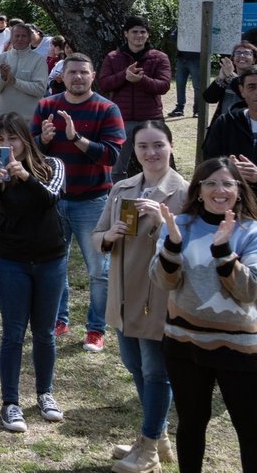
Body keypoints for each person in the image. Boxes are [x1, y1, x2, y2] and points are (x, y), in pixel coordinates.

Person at [151, 157, 257, 473]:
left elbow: (250, 290)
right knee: (192, 423)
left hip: (239, 349)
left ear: (239, 189)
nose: (219, 190)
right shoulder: (178, 225)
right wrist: (171, 244)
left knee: (250, 430)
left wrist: (223, 251)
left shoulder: (251, 231)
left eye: (227, 183)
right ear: (198, 191)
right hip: (184, 343)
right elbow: (162, 281)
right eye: (211, 183)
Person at [92, 121, 187, 472]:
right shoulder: (122, 189)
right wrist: (109, 235)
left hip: (158, 296)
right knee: (134, 366)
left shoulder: (186, 192)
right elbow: (96, 234)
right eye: (143, 146)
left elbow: (192, 246)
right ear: (134, 150)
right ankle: (157, 437)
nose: (151, 152)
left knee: (155, 372)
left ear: (171, 146)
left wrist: (165, 223)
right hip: (122, 294)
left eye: (158, 145)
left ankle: (148, 450)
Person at [0, 112, 67, 434]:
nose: (7, 146)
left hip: (50, 260)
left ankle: (45, 394)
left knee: (45, 332)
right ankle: (10, 403)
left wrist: (25, 176)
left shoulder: (52, 166)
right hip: (10, 261)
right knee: (13, 333)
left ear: (26, 139)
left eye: (12, 138)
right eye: (0, 140)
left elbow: (50, 198)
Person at [32, 52, 127, 353]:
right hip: (53, 200)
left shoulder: (107, 108)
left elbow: (111, 156)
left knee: (99, 270)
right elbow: (29, 152)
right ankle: (59, 320)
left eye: (83, 72)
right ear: (62, 76)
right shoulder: (47, 106)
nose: (78, 77)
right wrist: (43, 141)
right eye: (72, 72)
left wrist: (77, 139)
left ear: (93, 75)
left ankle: (96, 329)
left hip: (93, 201)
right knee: (53, 265)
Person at [99, 15, 172, 177]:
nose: (139, 35)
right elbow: (104, 84)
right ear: (126, 33)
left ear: (148, 34)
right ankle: (118, 200)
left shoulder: (159, 57)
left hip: (151, 119)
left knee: (157, 164)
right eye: (134, 32)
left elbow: (164, 85)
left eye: (143, 32)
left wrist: (141, 80)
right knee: (116, 168)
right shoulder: (113, 57)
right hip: (121, 119)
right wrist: (124, 75)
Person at [204, 65, 257, 173]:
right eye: (252, 87)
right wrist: (227, 168)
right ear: (242, 91)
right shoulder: (225, 123)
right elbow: (210, 161)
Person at [0, 23, 49, 119]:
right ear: (11, 38)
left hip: (30, 117)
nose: (20, 39)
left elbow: (40, 90)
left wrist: (14, 81)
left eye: (24, 36)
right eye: (17, 36)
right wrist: (2, 78)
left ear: (30, 38)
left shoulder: (39, 60)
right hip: (5, 117)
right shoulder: (1, 59)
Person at [203, 42, 257, 124]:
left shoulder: (254, 80)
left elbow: (246, 96)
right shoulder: (227, 78)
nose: (242, 56)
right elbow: (209, 98)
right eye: (238, 53)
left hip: (246, 128)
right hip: (224, 127)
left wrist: (230, 75)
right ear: (233, 59)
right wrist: (221, 78)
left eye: (247, 53)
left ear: (254, 60)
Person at [168, 28, 200, 118]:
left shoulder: (201, 24)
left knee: (197, 86)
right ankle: (179, 109)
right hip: (181, 59)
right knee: (180, 84)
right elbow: (173, 37)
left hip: (196, 59)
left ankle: (198, 110)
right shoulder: (184, 24)